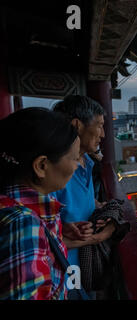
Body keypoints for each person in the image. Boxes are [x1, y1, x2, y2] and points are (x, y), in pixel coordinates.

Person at [0, 108, 80, 299]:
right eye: (75, 158)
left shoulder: (15, 209)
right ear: (42, 166)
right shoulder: (22, 224)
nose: (76, 166)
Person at [51, 96, 116, 280]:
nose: (103, 134)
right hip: (62, 270)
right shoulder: (54, 172)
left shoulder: (87, 160)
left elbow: (79, 198)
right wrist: (98, 237)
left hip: (84, 267)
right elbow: (43, 238)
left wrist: (97, 206)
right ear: (77, 125)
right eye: (99, 125)